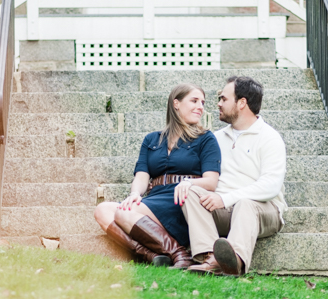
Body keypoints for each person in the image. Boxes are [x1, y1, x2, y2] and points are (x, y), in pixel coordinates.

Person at [93, 83, 221, 268]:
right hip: (154, 202)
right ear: (176, 104)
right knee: (102, 210)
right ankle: (152, 255)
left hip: (182, 202)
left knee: (122, 213)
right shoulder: (152, 139)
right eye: (194, 101)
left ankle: (179, 255)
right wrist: (136, 194)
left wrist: (189, 183)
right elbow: (142, 175)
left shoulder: (206, 139)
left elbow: (211, 181)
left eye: (202, 102)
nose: (200, 107)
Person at [181, 76, 287, 276]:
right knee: (191, 191)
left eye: (223, 99)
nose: (218, 104)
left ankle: (235, 262)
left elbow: (271, 186)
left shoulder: (269, 138)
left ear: (242, 103)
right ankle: (211, 256)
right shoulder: (216, 138)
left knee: (246, 203)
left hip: (261, 211)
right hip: (222, 210)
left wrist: (225, 198)